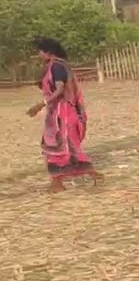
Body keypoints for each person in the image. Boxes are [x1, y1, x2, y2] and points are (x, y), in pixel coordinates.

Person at [29, 38, 99, 193]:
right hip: (64, 113)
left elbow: (59, 90)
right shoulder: (58, 66)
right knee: (69, 146)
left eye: (40, 51)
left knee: (55, 146)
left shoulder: (56, 66)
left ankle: (57, 184)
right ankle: (92, 174)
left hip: (62, 114)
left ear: (48, 52)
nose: (39, 55)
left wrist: (41, 104)